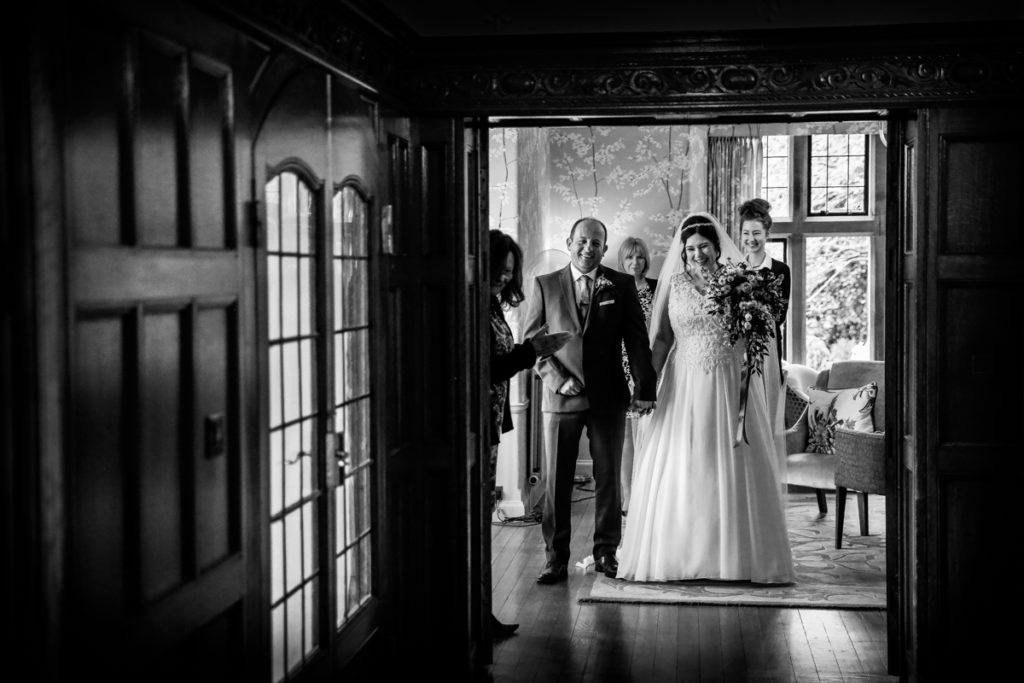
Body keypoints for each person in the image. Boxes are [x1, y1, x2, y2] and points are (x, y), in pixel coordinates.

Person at [617, 212, 795, 584]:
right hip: (684, 383)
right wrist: (645, 385)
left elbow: (757, 331)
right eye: (690, 249)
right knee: (686, 461)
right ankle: (681, 552)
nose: (697, 254)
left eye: (704, 247)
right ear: (682, 252)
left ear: (717, 248)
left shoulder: (739, 282)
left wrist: (752, 323)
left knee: (731, 461)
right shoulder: (675, 285)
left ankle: (737, 556)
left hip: (730, 383)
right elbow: (663, 338)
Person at [523, 217, 657, 583]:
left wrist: (645, 389)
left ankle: (606, 554)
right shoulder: (545, 285)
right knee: (556, 482)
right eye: (582, 241)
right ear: (569, 242)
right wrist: (556, 379)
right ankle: (555, 558)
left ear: (604, 247)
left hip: (608, 398)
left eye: (596, 243)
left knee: (608, 479)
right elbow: (532, 344)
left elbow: (637, 341)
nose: (588, 248)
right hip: (561, 398)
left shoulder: (622, 284)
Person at [487, 230, 571, 635]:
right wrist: (533, 351)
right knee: (474, 520)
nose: (504, 278)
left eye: (509, 272)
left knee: (481, 514)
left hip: (489, 420)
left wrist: (529, 350)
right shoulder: (472, 307)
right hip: (476, 419)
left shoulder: (489, 305)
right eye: (499, 270)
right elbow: (489, 365)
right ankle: (475, 615)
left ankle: (478, 612)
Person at [616, 236, 658, 516]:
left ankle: (650, 494)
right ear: (622, 259)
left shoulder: (657, 288)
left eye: (640, 257)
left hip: (650, 365)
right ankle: (628, 497)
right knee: (626, 438)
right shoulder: (613, 287)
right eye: (630, 257)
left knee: (652, 435)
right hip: (620, 365)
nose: (635, 262)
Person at [738, 198, 791, 368]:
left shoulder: (780, 270)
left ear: (767, 234)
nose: (751, 239)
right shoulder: (734, 270)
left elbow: (779, 316)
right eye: (746, 233)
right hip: (737, 347)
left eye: (756, 233)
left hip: (768, 346)